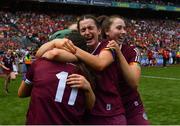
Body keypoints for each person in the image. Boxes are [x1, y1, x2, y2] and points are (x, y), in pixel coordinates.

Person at [36, 15, 126, 125]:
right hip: (88, 113)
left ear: (99, 30)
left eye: (90, 28)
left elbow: (100, 64)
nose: (87, 32)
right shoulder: (82, 53)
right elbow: (45, 55)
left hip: (110, 113)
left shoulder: (109, 45)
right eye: (83, 30)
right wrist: (54, 43)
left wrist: (71, 49)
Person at [18, 31, 95, 125]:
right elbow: (89, 107)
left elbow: (21, 93)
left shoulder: (40, 64)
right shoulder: (87, 70)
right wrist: (88, 89)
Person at [100, 15, 150, 125]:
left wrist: (118, 53)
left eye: (124, 28)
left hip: (131, 106)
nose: (123, 32)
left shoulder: (132, 51)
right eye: (119, 28)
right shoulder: (97, 50)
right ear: (107, 31)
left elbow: (133, 82)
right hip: (108, 109)